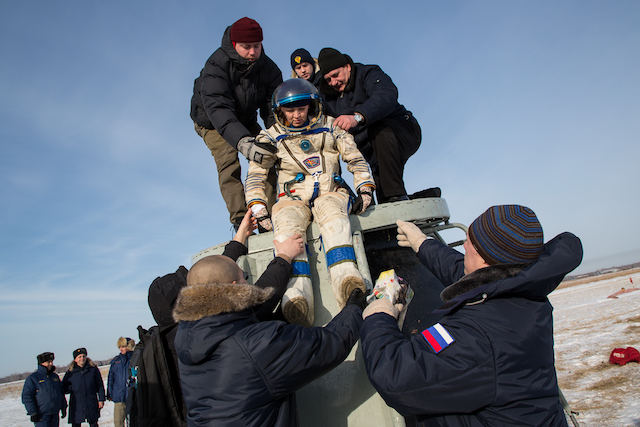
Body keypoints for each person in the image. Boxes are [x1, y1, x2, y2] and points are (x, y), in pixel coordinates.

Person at [359, 205, 583, 426]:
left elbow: (396, 377)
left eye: (469, 243)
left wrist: (379, 316)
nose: (464, 246)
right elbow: (465, 273)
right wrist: (423, 244)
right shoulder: (521, 291)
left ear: (486, 260)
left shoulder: (478, 337)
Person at [173, 209, 367, 427]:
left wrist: (244, 244)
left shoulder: (191, 337)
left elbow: (217, 282)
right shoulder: (257, 346)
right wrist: (354, 308)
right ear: (234, 289)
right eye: (244, 277)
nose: (250, 284)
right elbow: (330, 344)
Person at [245, 78, 375, 327]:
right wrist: (258, 207)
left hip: (330, 191)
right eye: (289, 110)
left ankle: (346, 279)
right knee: (286, 227)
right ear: (279, 111)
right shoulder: (270, 137)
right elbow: (256, 174)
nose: (296, 115)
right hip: (291, 198)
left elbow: (355, 159)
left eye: (301, 109)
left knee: (333, 215)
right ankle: (295, 295)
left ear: (312, 106)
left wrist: (365, 188)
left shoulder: (331, 128)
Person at [190, 16, 281, 231]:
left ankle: (267, 217)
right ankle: (242, 220)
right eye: (246, 47)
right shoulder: (216, 65)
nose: (252, 52)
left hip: (244, 118)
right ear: (234, 45)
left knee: (267, 154)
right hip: (211, 121)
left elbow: (272, 109)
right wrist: (243, 142)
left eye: (256, 46)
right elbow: (219, 109)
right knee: (229, 160)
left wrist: (275, 135)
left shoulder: (269, 69)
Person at [317, 47, 422, 204]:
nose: (333, 82)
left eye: (336, 75)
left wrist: (357, 117)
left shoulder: (367, 73)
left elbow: (386, 95)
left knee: (378, 130)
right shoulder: (327, 97)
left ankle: (396, 198)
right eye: (328, 79)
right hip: (374, 151)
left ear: (347, 66)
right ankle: (418, 198)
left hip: (401, 131)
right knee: (385, 195)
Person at [22, 352, 67, 427]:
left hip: (55, 414)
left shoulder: (54, 377)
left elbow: (61, 393)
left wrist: (63, 407)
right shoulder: (33, 378)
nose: (50, 364)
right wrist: (33, 412)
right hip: (41, 416)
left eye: (51, 362)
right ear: (41, 363)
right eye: (48, 362)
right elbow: (27, 396)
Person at [63, 348, 106, 427]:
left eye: (83, 356)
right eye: (79, 357)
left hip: (91, 402)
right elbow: (64, 387)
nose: (82, 358)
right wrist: (72, 388)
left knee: (93, 423)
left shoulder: (93, 369)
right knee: (76, 424)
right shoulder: (70, 372)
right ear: (75, 359)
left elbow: (99, 385)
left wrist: (101, 399)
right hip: (77, 404)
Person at [107, 337, 135, 427]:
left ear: (129, 346)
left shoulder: (135, 359)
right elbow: (111, 378)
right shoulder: (116, 362)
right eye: (119, 347)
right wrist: (110, 393)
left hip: (133, 396)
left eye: (123, 346)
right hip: (119, 397)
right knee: (118, 423)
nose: (121, 349)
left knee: (134, 422)